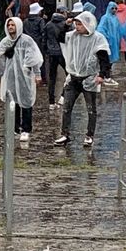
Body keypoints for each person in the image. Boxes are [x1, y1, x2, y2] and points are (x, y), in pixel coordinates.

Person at [52, 11, 111, 148]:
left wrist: (102, 74)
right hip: (73, 77)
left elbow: (104, 58)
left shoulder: (98, 38)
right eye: (76, 24)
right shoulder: (72, 36)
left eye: (80, 24)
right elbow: (60, 37)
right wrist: (66, 26)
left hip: (89, 78)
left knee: (91, 109)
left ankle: (89, 135)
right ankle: (65, 134)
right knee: (67, 107)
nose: (77, 27)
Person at [0, 17, 44, 143]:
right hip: (10, 77)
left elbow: (34, 59)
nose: (10, 27)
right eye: (9, 25)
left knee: (26, 102)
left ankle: (26, 129)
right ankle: (14, 128)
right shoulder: (5, 42)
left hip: (25, 77)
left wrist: (37, 74)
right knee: (13, 102)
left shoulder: (27, 41)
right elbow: (1, 61)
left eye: (13, 25)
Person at [43, 6, 69, 107]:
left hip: (51, 53)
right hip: (62, 52)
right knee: (69, 74)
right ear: (63, 13)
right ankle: (62, 96)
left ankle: (51, 101)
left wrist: (46, 50)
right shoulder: (65, 24)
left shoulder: (48, 24)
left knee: (52, 77)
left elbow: (44, 39)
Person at [95, 2, 123, 85]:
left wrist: (118, 41)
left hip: (114, 42)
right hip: (108, 42)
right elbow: (100, 29)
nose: (114, 10)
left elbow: (119, 30)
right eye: (112, 8)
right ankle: (106, 76)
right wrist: (107, 37)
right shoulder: (105, 18)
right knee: (106, 59)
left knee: (111, 60)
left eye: (115, 8)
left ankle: (106, 75)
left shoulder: (116, 18)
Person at [22, 2, 46, 84]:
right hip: (38, 43)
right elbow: (43, 32)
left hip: (27, 43)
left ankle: (27, 77)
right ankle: (42, 78)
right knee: (40, 60)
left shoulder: (25, 21)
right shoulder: (40, 20)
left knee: (28, 60)